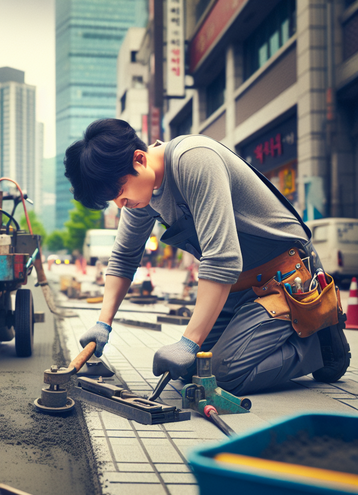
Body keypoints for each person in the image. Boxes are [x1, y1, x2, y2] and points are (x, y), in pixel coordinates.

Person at [63, 119, 350, 395]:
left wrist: (189, 342)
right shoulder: (142, 195)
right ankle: (287, 333)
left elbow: (221, 257)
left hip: (287, 277)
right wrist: (103, 323)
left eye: (120, 191)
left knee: (222, 376)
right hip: (240, 288)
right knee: (192, 371)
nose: (120, 204)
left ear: (139, 159)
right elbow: (124, 258)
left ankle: (320, 344)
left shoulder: (194, 159)